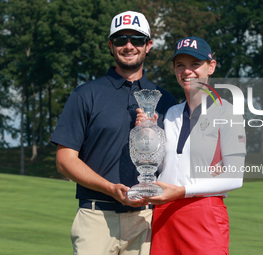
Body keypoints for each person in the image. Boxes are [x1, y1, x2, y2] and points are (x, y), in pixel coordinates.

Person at [50, 11, 176, 255]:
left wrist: (154, 132)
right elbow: (64, 161)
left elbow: (176, 161)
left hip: (147, 219)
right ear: (111, 45)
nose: (129, 46)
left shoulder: (166, 100)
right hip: (96, 218)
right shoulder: (86, 94)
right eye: (120, 40)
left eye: (137, 39)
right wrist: (111, 189)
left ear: (148, 45)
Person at [137, 36, 246, 254]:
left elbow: (235, 177)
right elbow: (164, 168)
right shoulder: (171, 114)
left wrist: (183, 191)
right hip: (164, 215)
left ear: (211, 66)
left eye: (195, 64)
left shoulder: (228, 112)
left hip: (203, 214)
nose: (187, 71)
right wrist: (149, 134)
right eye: (180, 65)